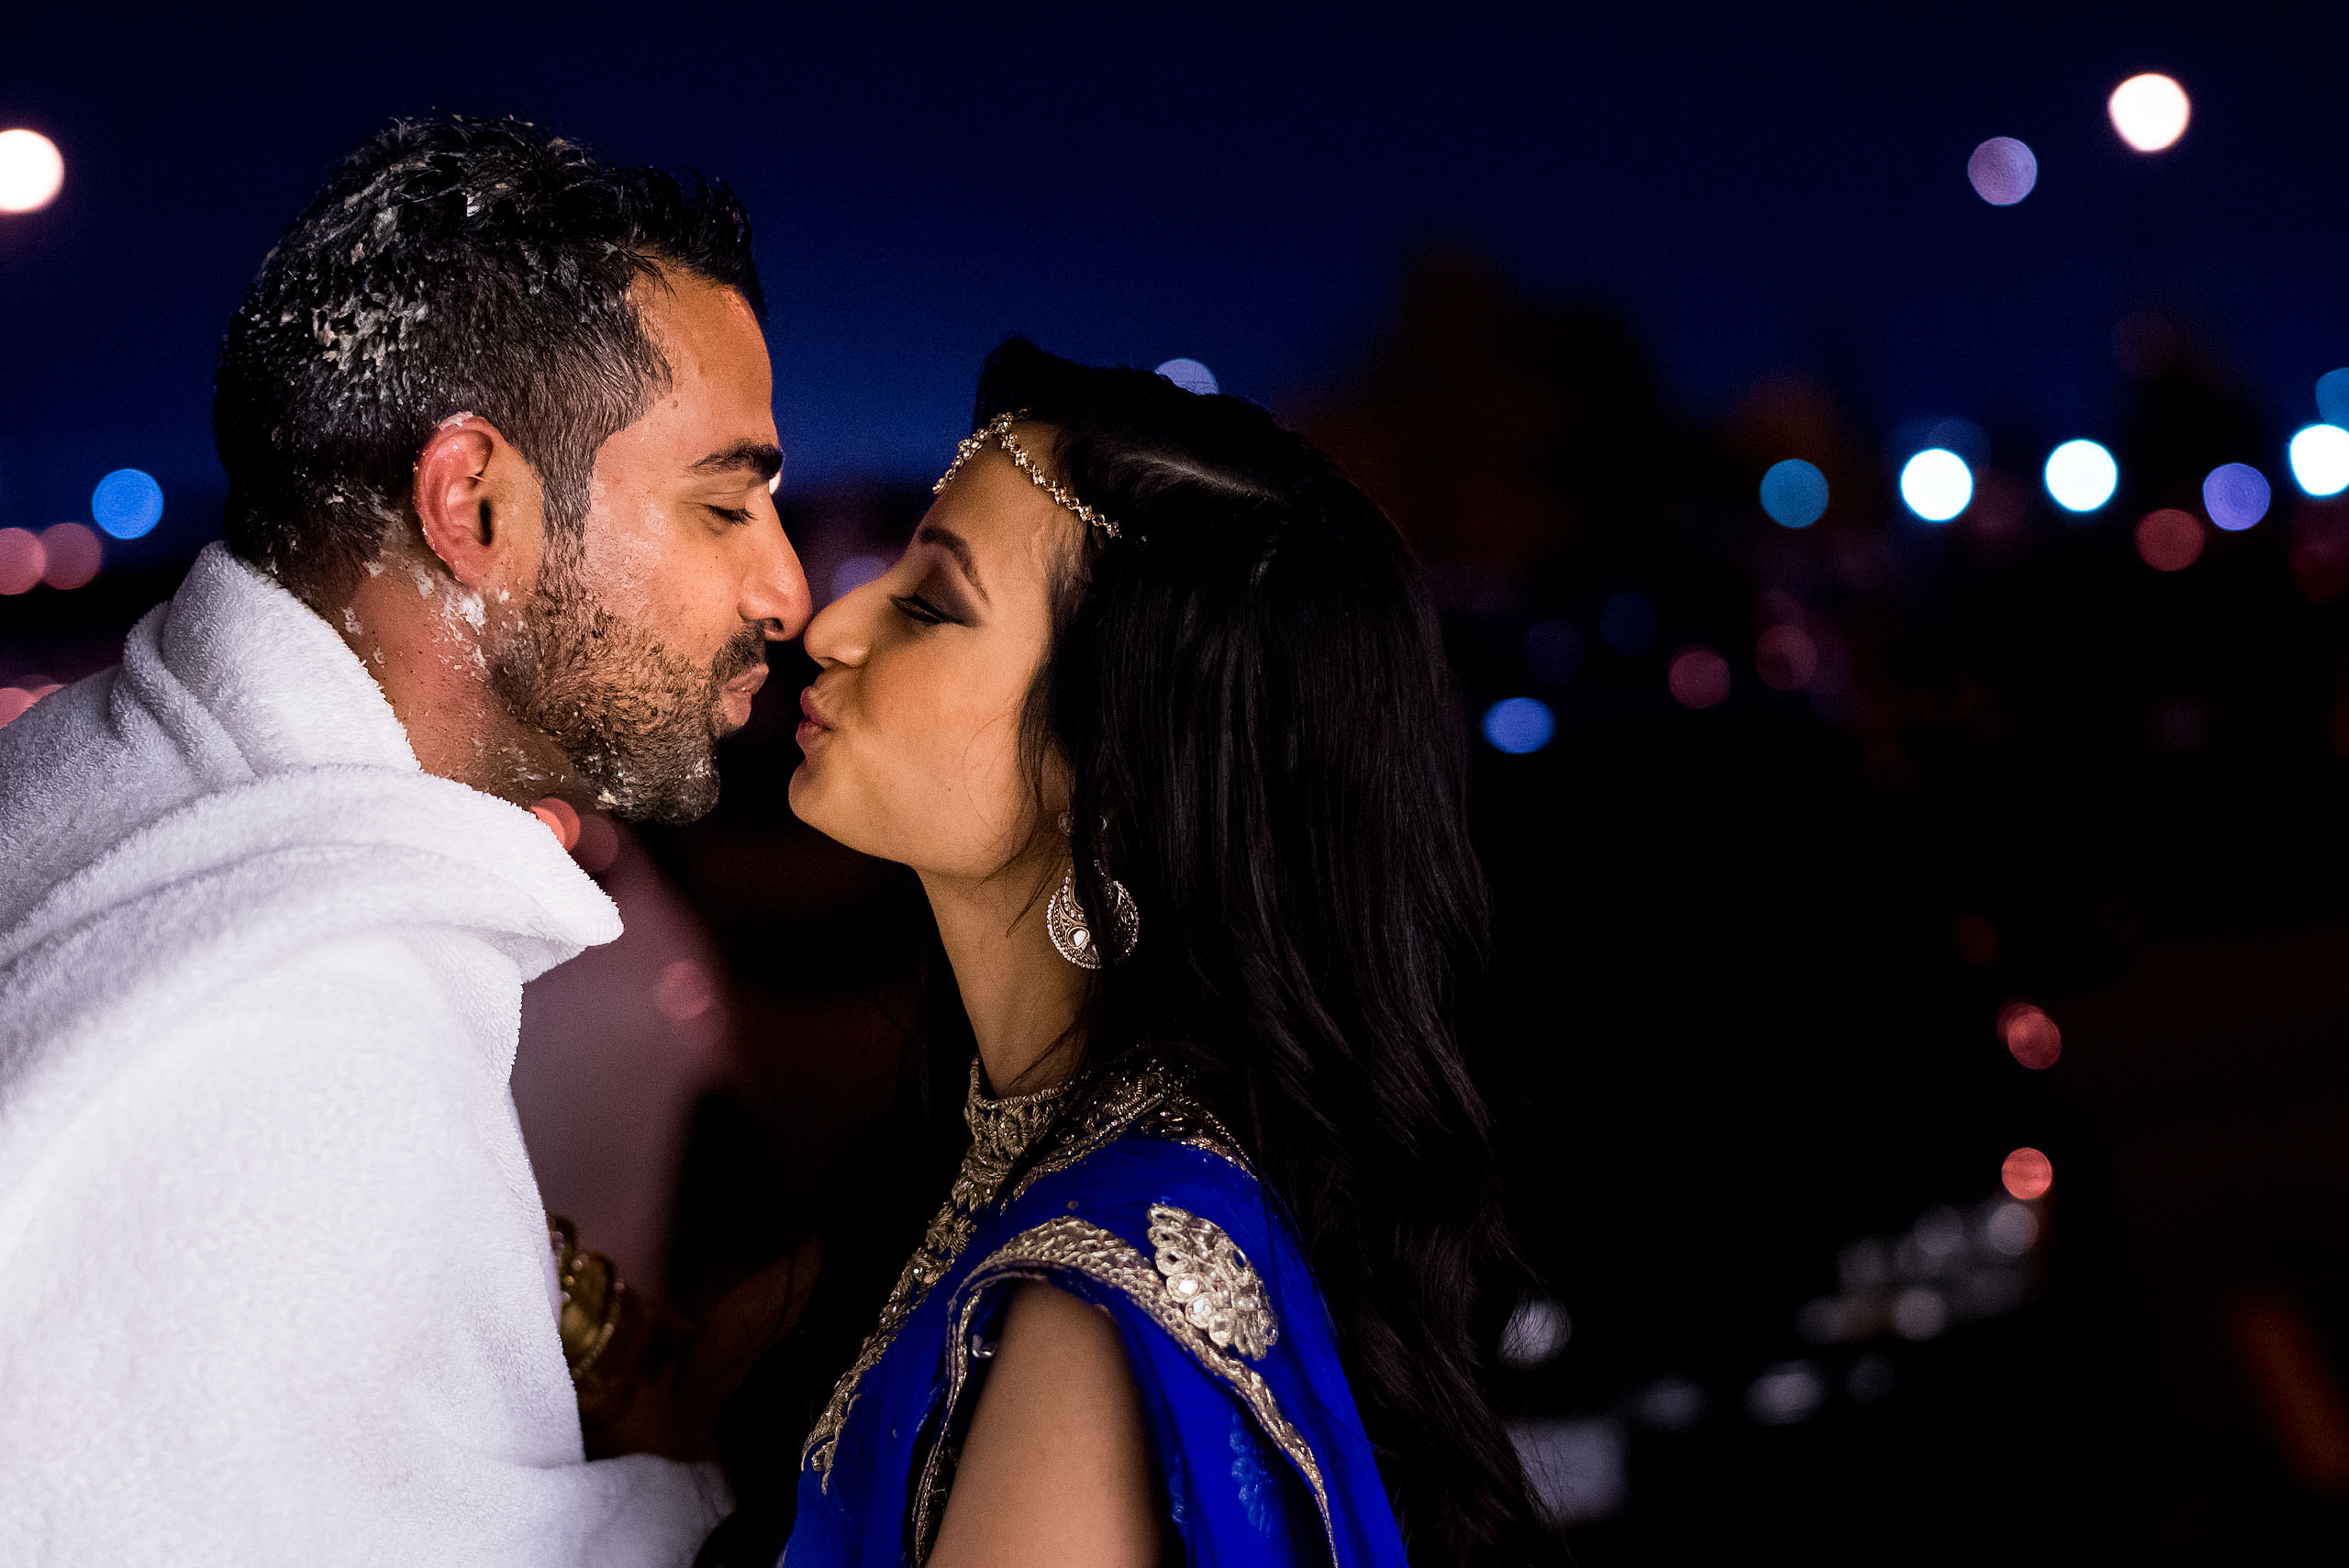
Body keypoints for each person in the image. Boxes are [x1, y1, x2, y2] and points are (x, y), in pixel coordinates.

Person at [0, 118, 807, 1565]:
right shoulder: (302, 1045)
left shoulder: (84, 786)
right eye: (724, 501)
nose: (786, 586)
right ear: (472, 504)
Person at [707, 339, 1554, 1566]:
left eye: (930, 603)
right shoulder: (1001, 1163)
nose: (833, 624)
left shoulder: (1088, 1318)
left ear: (1107, 784)